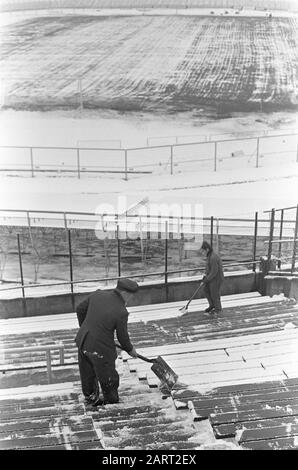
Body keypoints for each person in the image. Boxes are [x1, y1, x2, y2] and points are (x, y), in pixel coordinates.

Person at [74, 278, 139, 407]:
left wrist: (87, 328)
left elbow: (80, 309)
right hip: (100, 348)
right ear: (125, 294)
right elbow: (123, 337)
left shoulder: (98, 294)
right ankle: (111, 400)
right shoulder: (121, 311)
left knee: (87, 372)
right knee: (107, 375)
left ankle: (90, 397)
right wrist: (131, 350)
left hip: (83, 340)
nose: (130, 299)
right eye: (131, 296)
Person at [200, 240, 224, 315]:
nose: (202, 253)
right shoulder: (209, 256)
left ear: (207, 249)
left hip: (217, 278)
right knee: (206, 290)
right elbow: (207, 268)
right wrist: (204, 276)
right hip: (211, 278)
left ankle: (218, 309)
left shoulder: (213, 257)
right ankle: (212, 305)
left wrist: (206, 279)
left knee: (215, 294)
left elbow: (214, 271)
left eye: (203, 251)